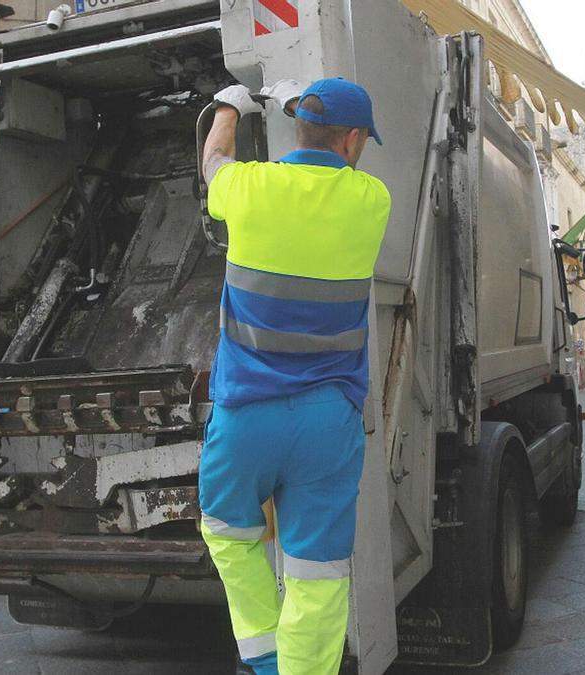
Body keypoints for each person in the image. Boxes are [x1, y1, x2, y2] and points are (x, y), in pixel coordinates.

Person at [198, 78, 390, 675]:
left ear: (300, 127)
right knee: (317, 571)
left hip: (245, 413)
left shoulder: (249, 187)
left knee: (228, 535)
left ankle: (263, 661)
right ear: (354, 139)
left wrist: (231, 105)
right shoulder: (371, 201)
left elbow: (214, 161)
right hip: (326, 419)